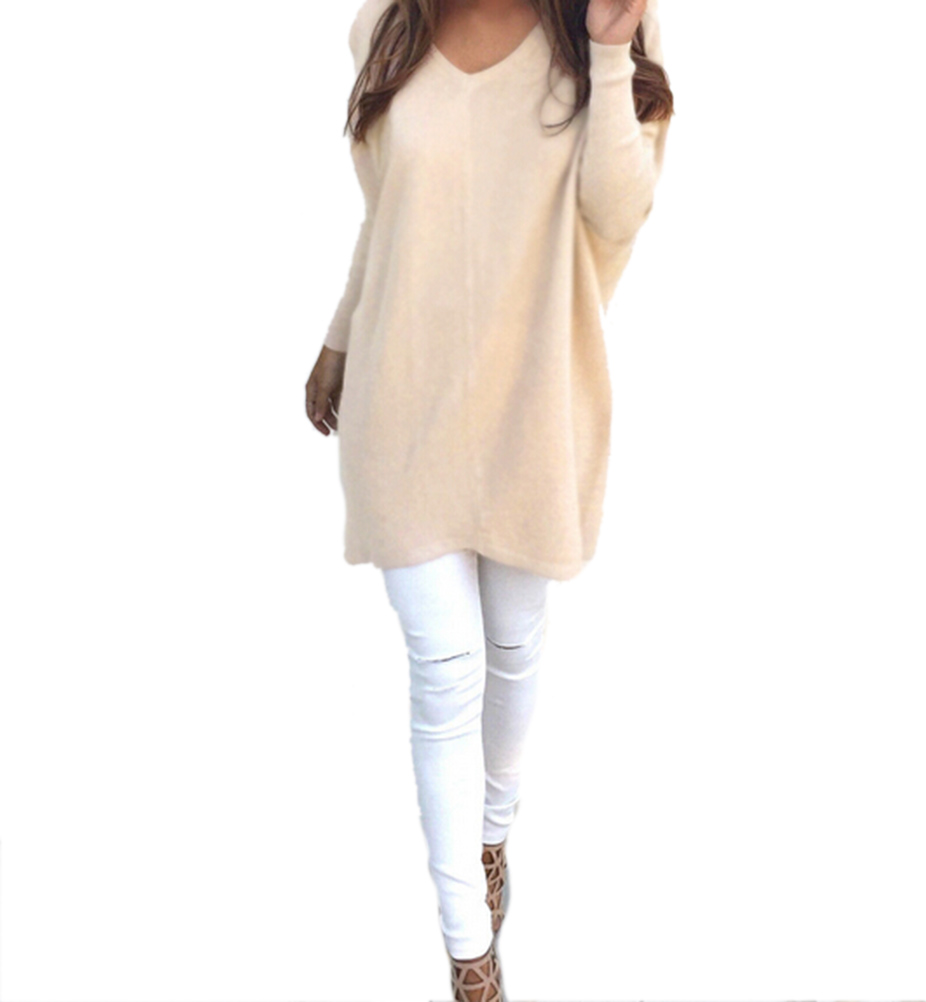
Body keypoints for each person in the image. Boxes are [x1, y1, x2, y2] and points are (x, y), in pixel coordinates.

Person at [305, 0, 673, 997]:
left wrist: (609, 58)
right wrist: (339, 339)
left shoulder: (598, 31)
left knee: (513, 646)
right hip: (402, 398)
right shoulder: (387, 28)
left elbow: (618, 210)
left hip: (532, 403)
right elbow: (387, 215)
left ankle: (492, 834)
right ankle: (469, 948)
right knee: (445, 669)